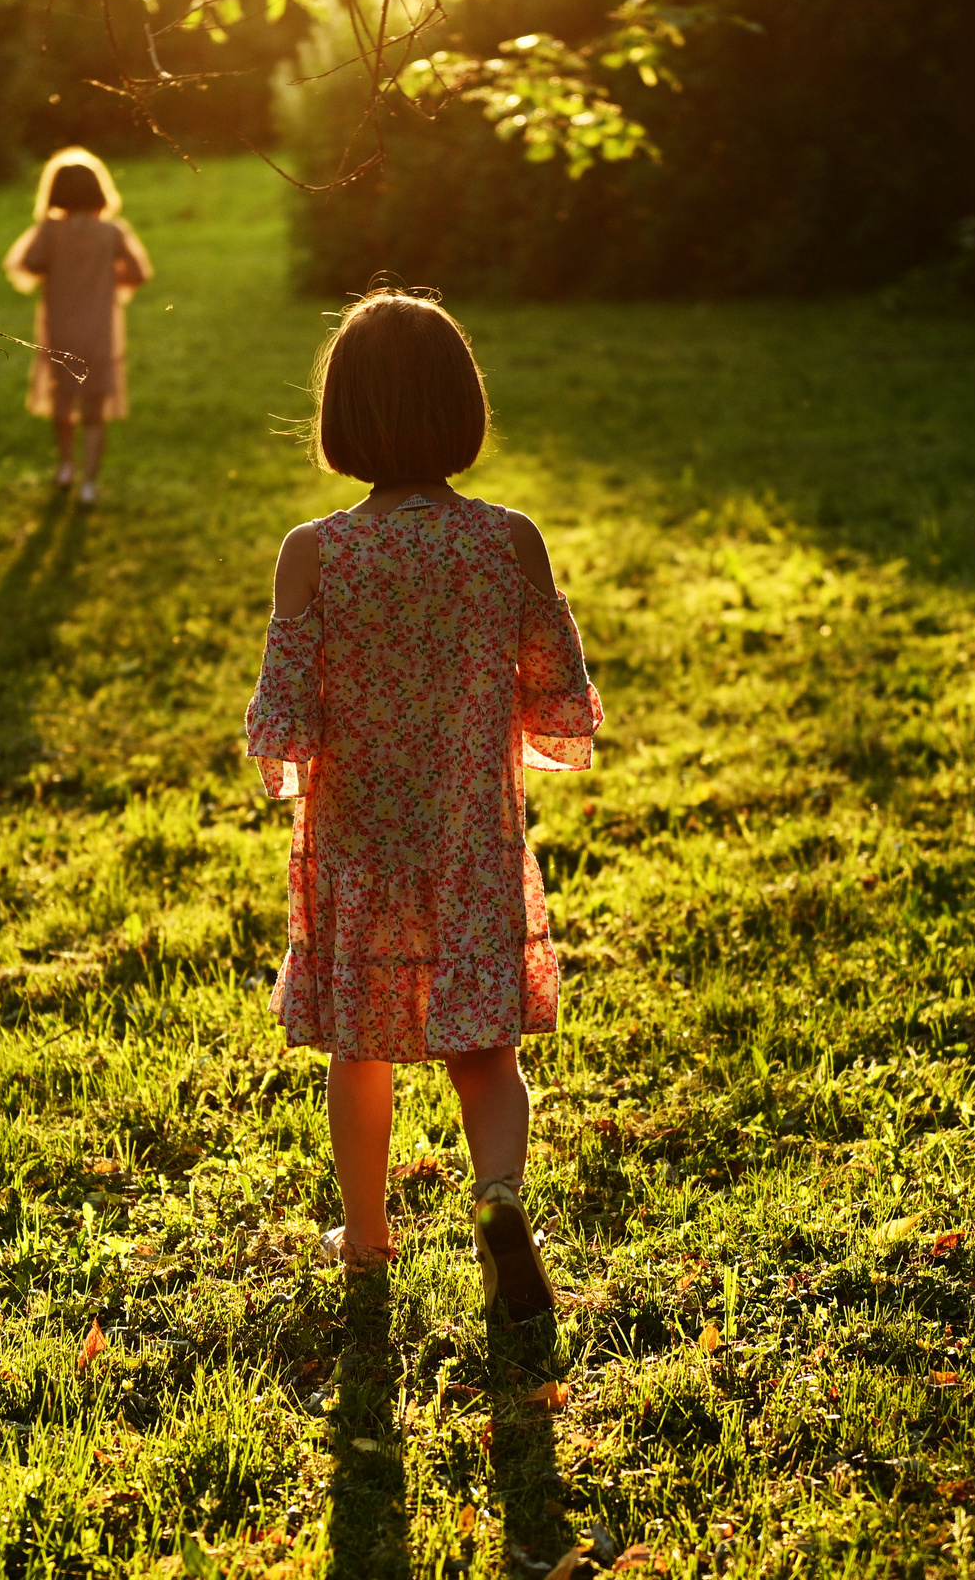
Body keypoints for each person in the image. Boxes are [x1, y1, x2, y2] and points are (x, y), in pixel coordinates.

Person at [241, 289, 604, 1323]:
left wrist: (302, 763)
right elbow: (556, 683)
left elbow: (284, 710)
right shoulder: (508, 540)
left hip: (359, 841)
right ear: (462, 407)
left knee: (360, 1048)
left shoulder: (314, 552)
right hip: (470, 837)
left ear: (341, 417)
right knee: (484, 1050)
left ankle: (365, 1237)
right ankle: (496, 1202)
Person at [3, 148, 153, 505]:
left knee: (62, 399)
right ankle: (89, 482)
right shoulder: (112, 232)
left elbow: (28, 263)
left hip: (59, 330)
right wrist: (107, 277)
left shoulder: (50, 232)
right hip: (100, 330)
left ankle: (66, 464)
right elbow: (138, 273)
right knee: (95, 409)